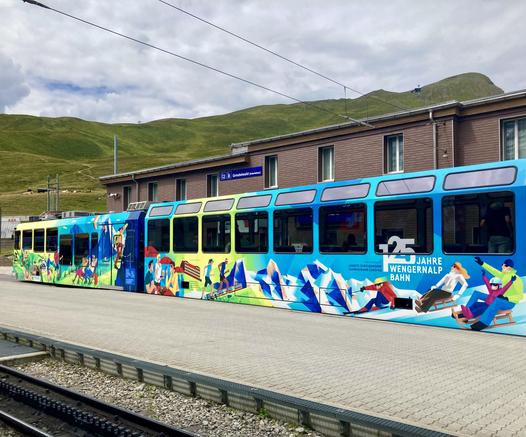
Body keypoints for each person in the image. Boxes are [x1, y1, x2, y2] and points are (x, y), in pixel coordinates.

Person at [470, 257, 524, 331]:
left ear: (509, 267)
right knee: (477, 294)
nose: (501, 266)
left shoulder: (517, 279)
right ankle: (466, 312)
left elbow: (520, 295)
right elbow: (493, 270)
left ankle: (483, 323)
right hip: (499, 298)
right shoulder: (503, 275)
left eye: (503, 265)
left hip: (509, 302)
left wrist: (507, 298)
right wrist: (482, 263)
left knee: (496, 301)